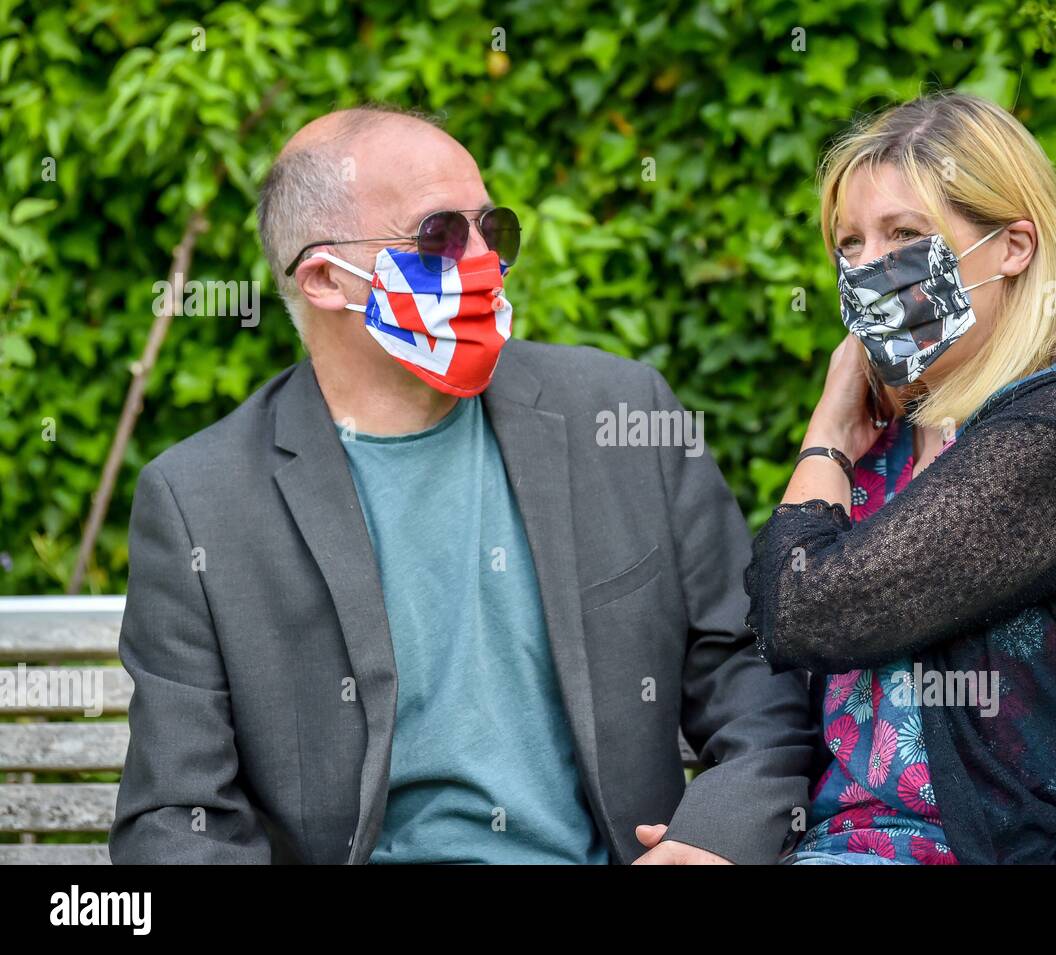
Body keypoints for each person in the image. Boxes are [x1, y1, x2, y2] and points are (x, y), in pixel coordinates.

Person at [109, 105, 816, 865]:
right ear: (323, 278)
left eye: (493, 229)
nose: (483, 260)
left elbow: (754, 672)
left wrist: (713, 838)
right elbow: (174, 821)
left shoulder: (621, 416)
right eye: (440, 235)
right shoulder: (201, 502)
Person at [744, 91, 1056, 864]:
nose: (867, 270)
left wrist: (825, 433)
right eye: (850, 244)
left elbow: (806, 610)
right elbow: (772, 641)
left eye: (904, 235)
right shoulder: (889, 442)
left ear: (1014, 245)